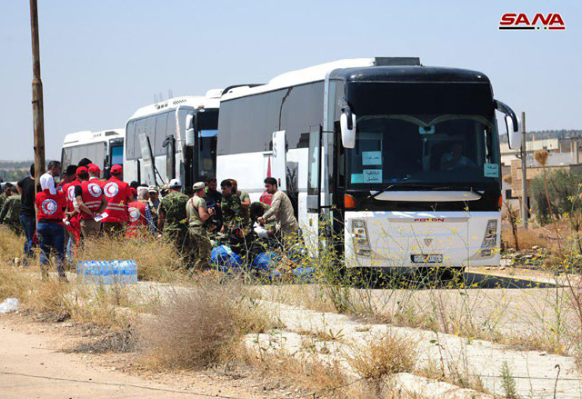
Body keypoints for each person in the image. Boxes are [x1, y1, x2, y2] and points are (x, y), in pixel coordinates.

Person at [35, 184, 67, 281]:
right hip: (57, 225)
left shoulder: (39, 195)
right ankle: (61, 276)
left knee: (44, 252)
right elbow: (64, 207)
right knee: (59, 252)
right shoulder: (60, 194)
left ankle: (44, 277)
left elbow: (38, 206)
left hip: (43, 225)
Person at [258, 177, 299, 247]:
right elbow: (276, 215)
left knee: (289, 248)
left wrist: (263, 217)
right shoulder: (276, 195)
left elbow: (274, 209)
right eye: (266, 186)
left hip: (289, 225)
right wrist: (266, 221)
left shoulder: (278, 194)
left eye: (268, 186)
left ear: (274, 186)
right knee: (286, 248)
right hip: (286, 226)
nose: (267, 188)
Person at [186, 182, 214, 270]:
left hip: (191, 229)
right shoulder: (200, 200)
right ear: (202, 190)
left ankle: (194, 273)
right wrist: (210, 213)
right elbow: (203, 216)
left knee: (196, 255)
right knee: (205, 255)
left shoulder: (188, 201)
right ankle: (194, 274)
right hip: (199, 229)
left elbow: (187, 218)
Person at [74, 166, 107, 239]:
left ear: (78, 177)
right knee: (95, 241)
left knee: (88, 243)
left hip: (86, 219)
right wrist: (98, 213)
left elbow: (80, 204)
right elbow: (105, 203)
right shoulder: (99, 186)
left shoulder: (78, 187)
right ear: (88, 176)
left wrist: (92, 214)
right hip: (97, 221)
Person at [158, 179, 190, 253]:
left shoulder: (164, 200)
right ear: (180, 187)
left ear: (170, 188)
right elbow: (189, 215)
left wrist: (160, 231)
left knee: (170, 253)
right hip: (183, 230)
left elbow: (161, 218)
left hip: (169, 231)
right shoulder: (186, 198)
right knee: (183, 253)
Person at [101, 165, 131, 235]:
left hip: (106, 216)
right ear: (120, 174)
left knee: (107, 239)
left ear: (111, 173)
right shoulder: (125, 185)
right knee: (119, 240)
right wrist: (121, 202)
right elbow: (131, 200)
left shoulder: (103, 185)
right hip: (120, 216)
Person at [17, 164, 36, 263]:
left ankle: (26, 257)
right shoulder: (35, 184)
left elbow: (18, 184)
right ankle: (27, 261)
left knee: (28, 238)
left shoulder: (25, 180)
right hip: (30, 215)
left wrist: (22, 195)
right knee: (31, 239)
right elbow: (35, 203)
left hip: (24, 214)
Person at [61, 165, 81, 260]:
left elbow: (65, 201)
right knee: (76, 241)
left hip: (68, 217)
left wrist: (66, 214)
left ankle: (69, 260)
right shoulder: (80, 186)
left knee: (71, 240)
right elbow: (79, 203)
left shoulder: (66, 186)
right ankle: (73, 261)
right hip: (77, 216)